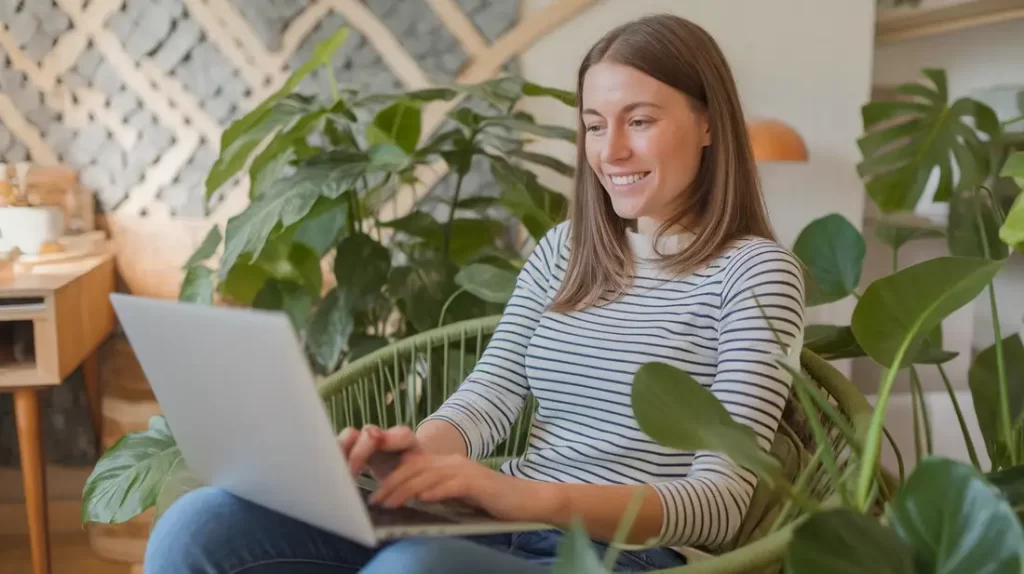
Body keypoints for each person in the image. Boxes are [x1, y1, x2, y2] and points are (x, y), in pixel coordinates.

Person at [144, 12, 805, 574]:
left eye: (640, 120)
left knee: (413, 569)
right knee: (199, 526)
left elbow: (721, 506)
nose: (612, 151)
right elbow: (489, 398)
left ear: (710, 124)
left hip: (620, 555)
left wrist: (526, 498)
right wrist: (413, 459)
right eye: (595, 125)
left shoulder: (754, 274)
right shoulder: (565, 250)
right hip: (498, 524)